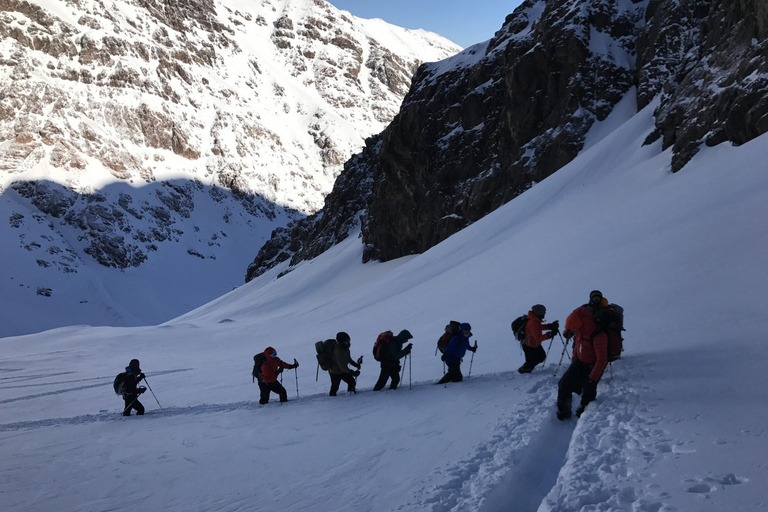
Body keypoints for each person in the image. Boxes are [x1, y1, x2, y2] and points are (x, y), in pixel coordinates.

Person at [557, 290, 609, 420]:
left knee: (589, 390)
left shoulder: (598, 334)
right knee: (564, 384)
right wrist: (575, 358)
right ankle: (564, 411)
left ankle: (584, 412)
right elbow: (577, 342)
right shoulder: (580, 327)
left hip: (593, 365)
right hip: (580, 361)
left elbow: (602, 360)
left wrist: (592, 378)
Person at [518, 304, 559, 373]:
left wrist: (549, 326)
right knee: (531, 362)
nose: (544, 313)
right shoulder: (533, 322)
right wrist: (549, 334)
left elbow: (538, 328)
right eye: (543, 312)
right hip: (529, 345)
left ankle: (525, 370)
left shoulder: (535, 320)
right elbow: (538, 338)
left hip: (533, 344)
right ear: (539, 313)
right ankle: (523, 373)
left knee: (541, 357)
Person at [328, 332, 362, 396]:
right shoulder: (337, 351)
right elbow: (342, 366)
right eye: (347, 341)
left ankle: (351, 395)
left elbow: (348, 359)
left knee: (351, 382)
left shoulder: (345, 348)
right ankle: (332, 399)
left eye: (349, 340)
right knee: (335, 387)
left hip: (342, 370)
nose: (349, 342)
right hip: (335, 372)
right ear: (342, 342)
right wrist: (351, 372)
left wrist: (355, 364)